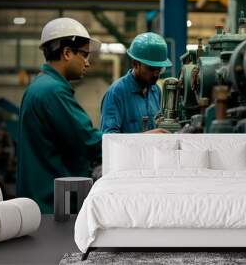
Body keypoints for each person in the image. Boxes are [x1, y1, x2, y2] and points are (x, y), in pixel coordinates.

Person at [17, 18, 103, 213]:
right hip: (51, 203)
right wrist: (136, 142)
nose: (87, 63)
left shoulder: (41, 86)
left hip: (41, 198)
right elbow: (88, 142)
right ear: (66, 53)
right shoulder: (52, 92)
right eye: (84, 55)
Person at [100, 32, 172, 133]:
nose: (156, 74)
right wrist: (145, 137)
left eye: (159, 69)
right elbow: (109, 137)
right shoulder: (117, 93)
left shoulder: (155, 91)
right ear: (135, 64)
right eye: (151, 69)